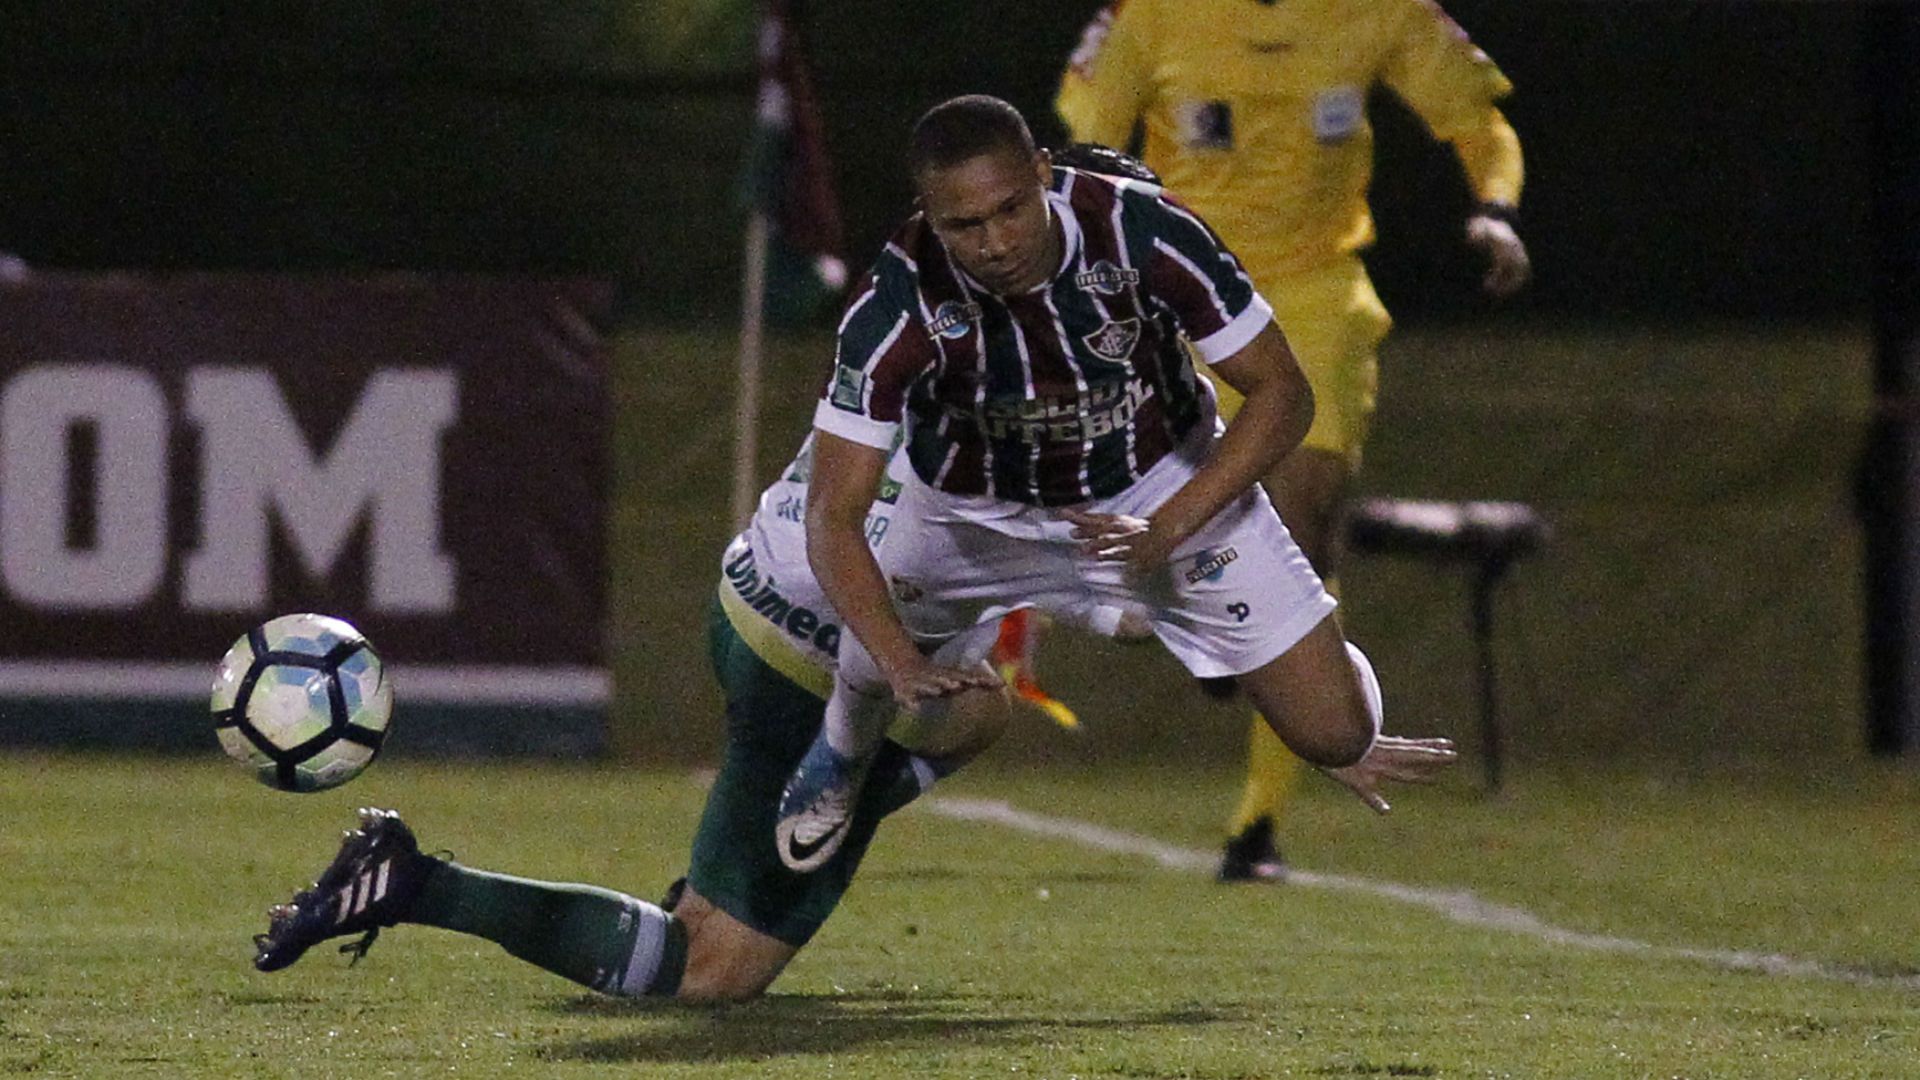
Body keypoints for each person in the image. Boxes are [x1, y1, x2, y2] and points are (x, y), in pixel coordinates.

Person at [249, 429, 1456, 1003]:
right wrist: (1328, 718)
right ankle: (414, 882)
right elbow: (1196, 613)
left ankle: (819, 792)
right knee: (710, 973)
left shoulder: (927, 345)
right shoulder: (1094, 474)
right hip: (814, 657)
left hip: (748, 597)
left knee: (982, 699)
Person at [775, 94, 1442, 877]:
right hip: (969, 513)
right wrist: (899, 659)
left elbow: (1284, 395)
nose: (994, 243)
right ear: (930, 215)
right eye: (966, 226)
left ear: (1045, 176)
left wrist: (1167, 526)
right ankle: (841, 756)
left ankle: (1298, 652)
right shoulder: (893, 301)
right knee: (882, 634)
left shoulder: (1144, 231)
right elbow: (832, 514)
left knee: (1337, 735)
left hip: (1154, 483)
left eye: (1012, 210)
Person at [1055, 0, 1531, 881]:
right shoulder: (1152, 13)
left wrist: (1496, 208)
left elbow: (1478, 120)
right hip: (1178, 287)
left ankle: (1259, 821)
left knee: (1302, 525)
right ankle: (1187, 612)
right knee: (1124, 519)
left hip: (1313, 291)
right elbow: (1081, 150)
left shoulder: (1381, 9)